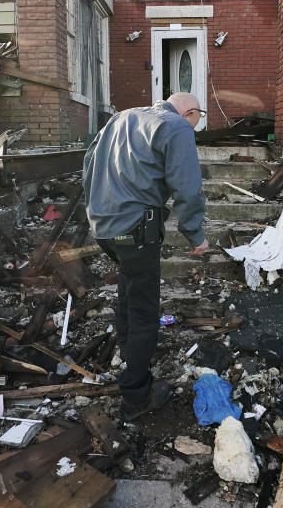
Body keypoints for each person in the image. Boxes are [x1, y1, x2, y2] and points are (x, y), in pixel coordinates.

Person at [83, 92, 209, 419]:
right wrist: (195, 234)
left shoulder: (121, 117)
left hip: (104, 226)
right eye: (196, 121)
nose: (193, 130)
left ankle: (128, 355)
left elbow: (88, 165)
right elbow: (186, 187)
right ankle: (136, 395)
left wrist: (95, 213)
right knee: (144, 307)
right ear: (190, 112)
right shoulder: (176, 126)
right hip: (139, 225)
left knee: (129, 287)